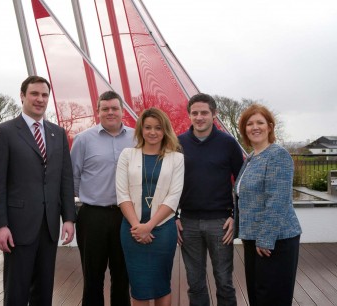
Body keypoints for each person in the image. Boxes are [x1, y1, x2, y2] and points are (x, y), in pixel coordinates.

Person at [0, 75, 75, 305]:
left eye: (44, 95)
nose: (40, 99)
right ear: (22, 96)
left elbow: (65, 179)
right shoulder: (4, 132)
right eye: (34, 94)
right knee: (16, 292)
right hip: (17, 228)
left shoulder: (58, 133)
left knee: (44, 292)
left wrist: (68, 218)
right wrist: (0, 225)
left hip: (49, 227)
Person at [177, 93, 244, 306]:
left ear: (214, 114)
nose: (199, 117)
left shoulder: (228, 143)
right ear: (189, 115)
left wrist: (236, 216)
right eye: (194, 113)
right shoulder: (178, 143)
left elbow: (242, 184)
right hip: (188, 223)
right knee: (195, 283)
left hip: (220, 223)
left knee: (224, 281)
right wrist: (173, 216)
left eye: (204, 112)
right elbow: (168, 184)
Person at [234, 104, 302, 306]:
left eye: (260, 122)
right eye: (249, 123)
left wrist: (265, 238)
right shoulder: (252, 158)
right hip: (254, 238)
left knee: (272, 297)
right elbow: (243, 195)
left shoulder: (277, 155)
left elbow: (277, 200)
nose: (255, 127)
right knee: (258, 295)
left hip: (275, 240)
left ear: (270, 127)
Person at [71, 91, 134, 306]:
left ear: (122, 111)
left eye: (114, 108)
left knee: (122, 276)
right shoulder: (83, 140)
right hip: (92, 217)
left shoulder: (137, 138)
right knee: (92, 277)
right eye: (105, 108)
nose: (110, 112)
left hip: (127, 217)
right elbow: (73, 178)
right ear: (98, 112)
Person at [116, 108, 184, 306]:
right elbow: (122, 194)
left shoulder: (176, 158)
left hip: (163, 230)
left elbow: (174, 196)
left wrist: (149, 226)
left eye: (158, 128)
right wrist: (138, 226)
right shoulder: (127, 155)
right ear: (141, 130)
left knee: (162, 284)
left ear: (165, 131)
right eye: (148, 127)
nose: (152, 132)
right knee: (139, 286)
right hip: (131, 230)